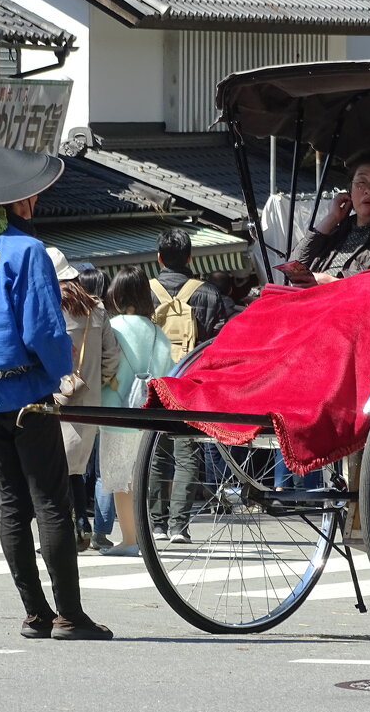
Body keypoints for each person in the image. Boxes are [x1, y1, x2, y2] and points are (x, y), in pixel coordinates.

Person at [0, 146, 112, 641]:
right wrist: (57, 377)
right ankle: (70, 615)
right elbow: (44, 327)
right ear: (18, 203)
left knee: (13, 503)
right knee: (51, 503)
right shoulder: (25, 250)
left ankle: (35, 612)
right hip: (28, 392)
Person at [147, 228, 226, 543]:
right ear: (190, 256)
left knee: (155, 454)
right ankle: (179, 526)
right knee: (187, 453)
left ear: (159, 258)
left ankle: (156, 522)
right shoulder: (208, 293)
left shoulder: (146, 290)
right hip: (190, 382)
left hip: (153, 381)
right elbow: (219, 341)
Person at [46, 248, 120, 552]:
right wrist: (96, 380)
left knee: (52, 470)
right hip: (89, 401)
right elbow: (112, 356)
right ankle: (80, 527)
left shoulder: (47, 306)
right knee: (74, 468)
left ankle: (63, 532)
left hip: (52, 400)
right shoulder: (97, 309)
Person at [99, 267, 174, 557]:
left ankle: (130, 538)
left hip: (114, 411)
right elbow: (167, 371)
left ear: (116, 295)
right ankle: (142, 536)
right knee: (140, 476)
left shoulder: (113, 327)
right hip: (147, 414)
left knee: (119, 479)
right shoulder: (157, 332)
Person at [291, 152, 370, 285]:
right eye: (361, 182)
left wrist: (333, 283)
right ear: (350, 191)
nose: (368, 190)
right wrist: (332, 218)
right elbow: (294, 268)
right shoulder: (338, 230)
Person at [78, 267, 116, 550]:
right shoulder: (100, 312)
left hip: (63, 399)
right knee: (103, 470)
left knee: (71, 467)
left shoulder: (57, 307)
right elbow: (111, 356)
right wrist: (102, 378)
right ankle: (100, 531)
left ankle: (77, 523)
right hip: (98, 400)